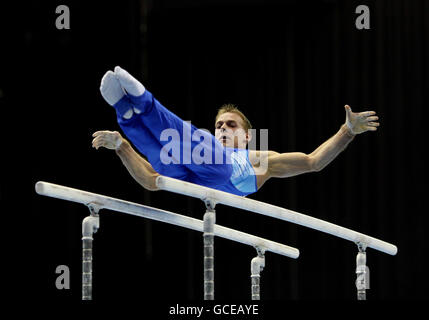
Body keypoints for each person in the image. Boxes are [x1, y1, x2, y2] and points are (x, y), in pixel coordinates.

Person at [92, 66, 379, 196]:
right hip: (192, 171)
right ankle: (129, 111)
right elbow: (152, 181)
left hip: (211, 174)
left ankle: (136, 110)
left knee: (173, 149)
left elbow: (312, 162)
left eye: (231, 124)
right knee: (168, 152)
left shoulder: (260, 159)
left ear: (247, 136)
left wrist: (347, 131)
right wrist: (124, 148)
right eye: (219, 125)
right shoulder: (202, 143)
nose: (223, 128)